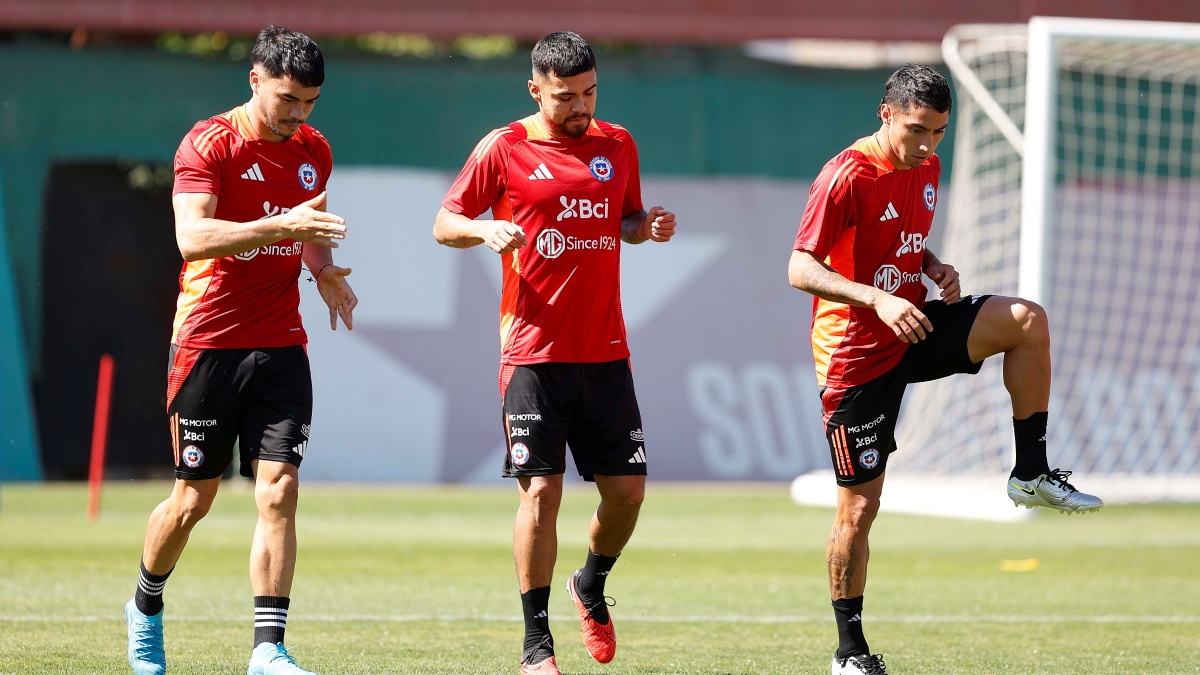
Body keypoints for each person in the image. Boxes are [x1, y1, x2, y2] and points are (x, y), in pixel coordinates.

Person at [787, 64, 1102, 675]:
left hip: (913, 326)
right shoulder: (844, 175)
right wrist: (876, 297)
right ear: (886, 115)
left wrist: (931, 264)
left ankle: (1030, 472)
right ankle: (849, 654)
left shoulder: (924, 165)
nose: (928, 146)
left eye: (939, 132)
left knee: (1027, 320)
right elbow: (800, 267)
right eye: (915, 131)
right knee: (858, 509)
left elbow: (893, 233)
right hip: (855, 356)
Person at [432, 31, 677, 675]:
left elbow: (624, 219)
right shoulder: (505, 147)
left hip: (606, 351)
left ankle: (590, 583)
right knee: (541, 491)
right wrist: (484, 227)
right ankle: (536, 642)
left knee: (627, 493)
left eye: (590, 92)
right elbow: (445, 221)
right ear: (535, 90)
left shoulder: (617, 144)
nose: (581, 107)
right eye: (566, 97)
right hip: (533, 351)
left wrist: (644, 228)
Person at [124, 26, 358, 675]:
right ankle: (145, 606)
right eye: (288, 99)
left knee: (278, 489)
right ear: (255, 80)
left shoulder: (313, 150)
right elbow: (192, 236)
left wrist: (325, 268)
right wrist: (280, 225)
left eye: (310, 102)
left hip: (281, 344)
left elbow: (309, 231)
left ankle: (268, 650)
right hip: (208, 343)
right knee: (192, 499)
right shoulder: (210, 142)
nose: (299, 115)